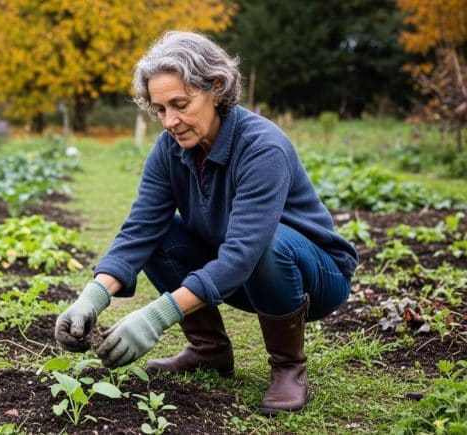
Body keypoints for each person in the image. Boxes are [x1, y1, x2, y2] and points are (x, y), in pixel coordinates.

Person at [54, 30, 358, 416]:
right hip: (242, 274)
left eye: (180, 104)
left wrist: (155, 316)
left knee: (268, 245)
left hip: (313, 278)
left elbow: (243, 252)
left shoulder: (262, 148)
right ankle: (209, 351)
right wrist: (90, 299)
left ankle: (287, 368)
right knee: (158, 235)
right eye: (160, 109)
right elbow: (139, 230)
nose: (170, 121)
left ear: (216, 87)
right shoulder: (169, 150)